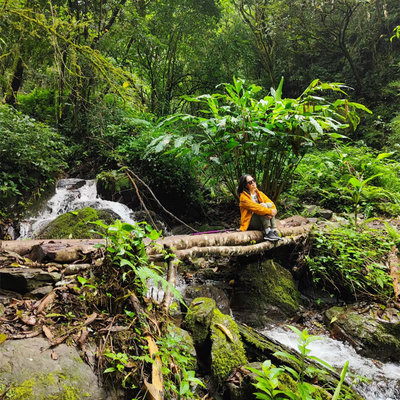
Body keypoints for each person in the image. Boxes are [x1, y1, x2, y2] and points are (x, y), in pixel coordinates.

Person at [237, 174, 282, 241]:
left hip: (262, 219)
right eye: (250, 182)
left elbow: (271, 203)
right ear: (245, 185)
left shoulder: (259, 193)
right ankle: (268, 232)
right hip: (251, 223)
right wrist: (269, 212)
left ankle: (273, 230)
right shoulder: (243, 197)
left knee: (268, 204)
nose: (253, 183)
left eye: (253, 181)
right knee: (263, 206)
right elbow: (257, 208)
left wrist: (274, 211)